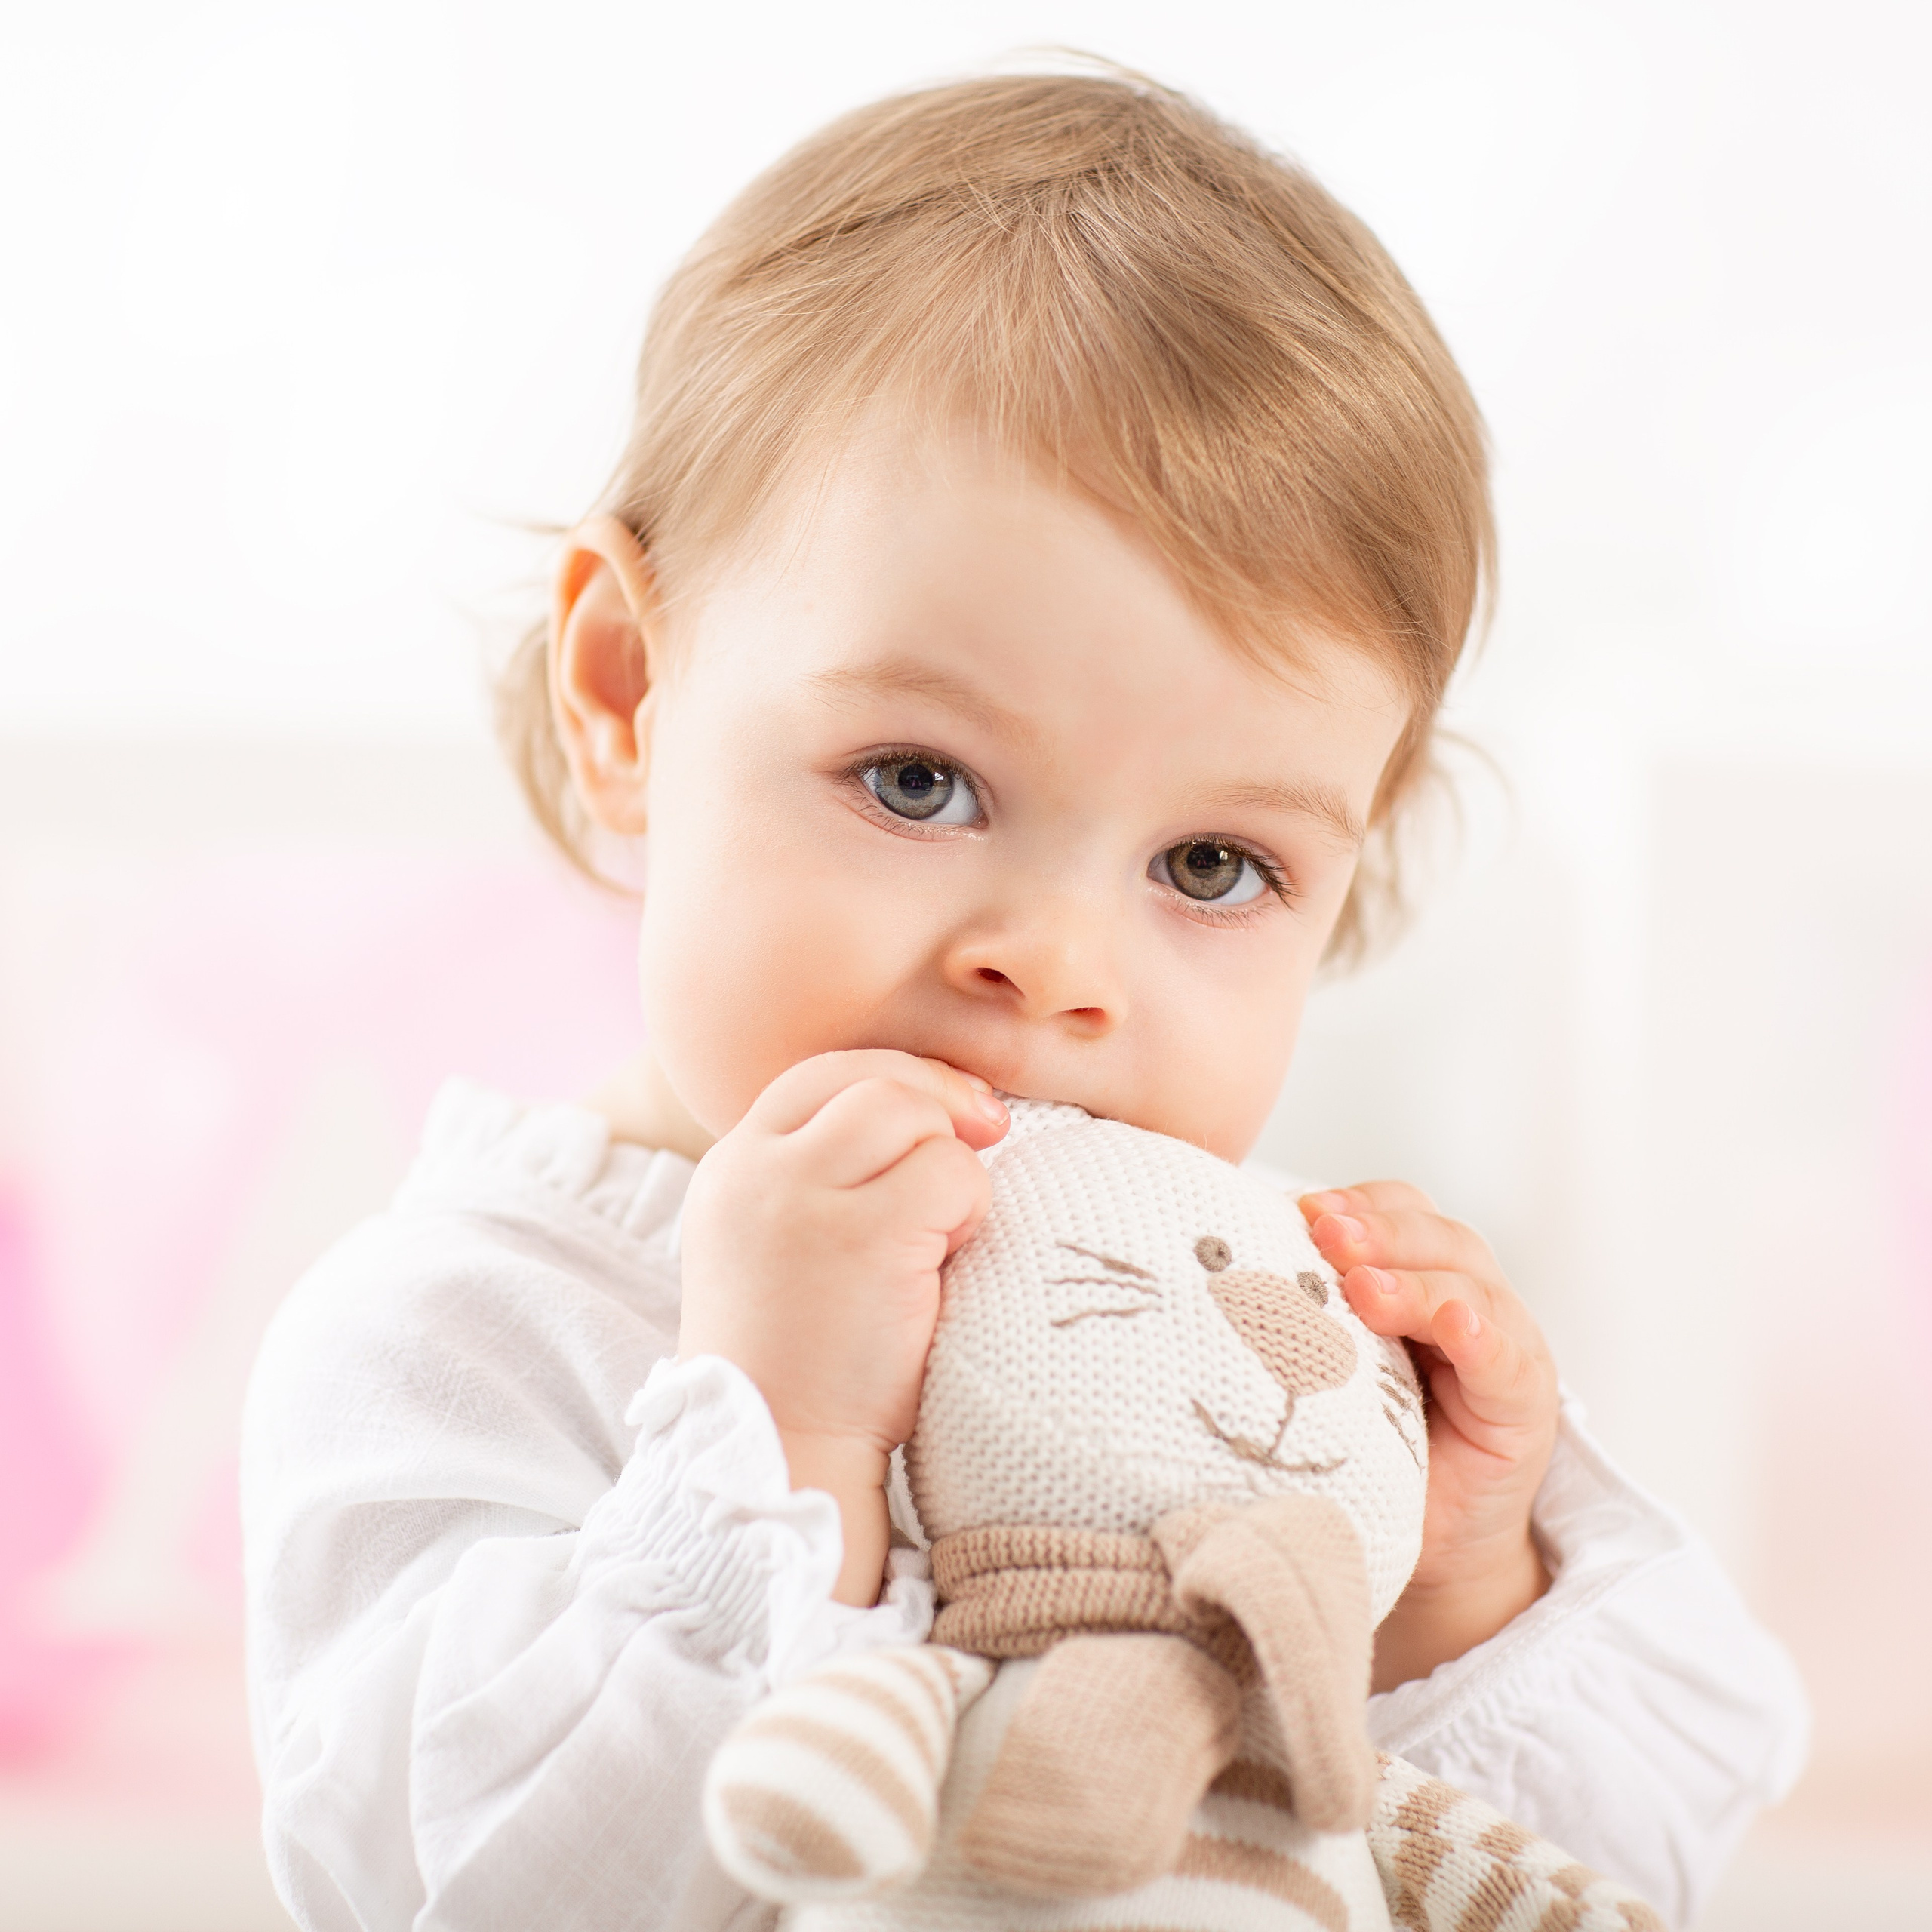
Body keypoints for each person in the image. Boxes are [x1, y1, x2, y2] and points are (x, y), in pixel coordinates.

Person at [240, 69, 1807, 1932]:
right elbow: (453, 1883)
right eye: (916, 779)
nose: (1053, 965)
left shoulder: (1246, 1338)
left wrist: (1448, 1588)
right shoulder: (464, 1322)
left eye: (1210, 866)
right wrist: (778, 1439)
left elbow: (1603, 1879)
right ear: (625, 694)